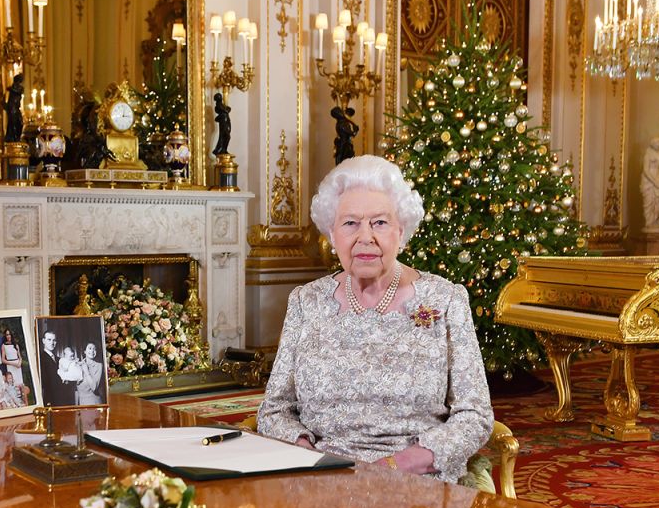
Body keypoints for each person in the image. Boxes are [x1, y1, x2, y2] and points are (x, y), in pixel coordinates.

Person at [257, 155, 494, 483]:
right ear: (331, 232)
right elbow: (275, 410)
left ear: (401, 230)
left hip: (416, 481)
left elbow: (475, 416)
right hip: (323, 478)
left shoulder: (446, 299)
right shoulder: (305, 301)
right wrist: (307, 455)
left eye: (379, 223)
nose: (365, 237)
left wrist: (399, 466)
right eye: (350, 223)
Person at [38, 329, 69, 406]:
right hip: (51, 400)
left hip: (62, 398)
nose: (52, 343)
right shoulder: (41, 359)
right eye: (49, 340)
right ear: (43, 341)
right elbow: (45, 383)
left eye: (54, 340)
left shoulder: (59, 359)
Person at [212, 92, 231, 157]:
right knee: (226, 136)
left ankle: (224, 149)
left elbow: (228, 109)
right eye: (219, 97)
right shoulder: (218, 106)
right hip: (223, 122)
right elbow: (227, 110)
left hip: (226, 121)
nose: (221, 98)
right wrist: (226, 110)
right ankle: (221, 149)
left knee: (226, 136)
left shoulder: (221, 105)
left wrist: (226, 109)